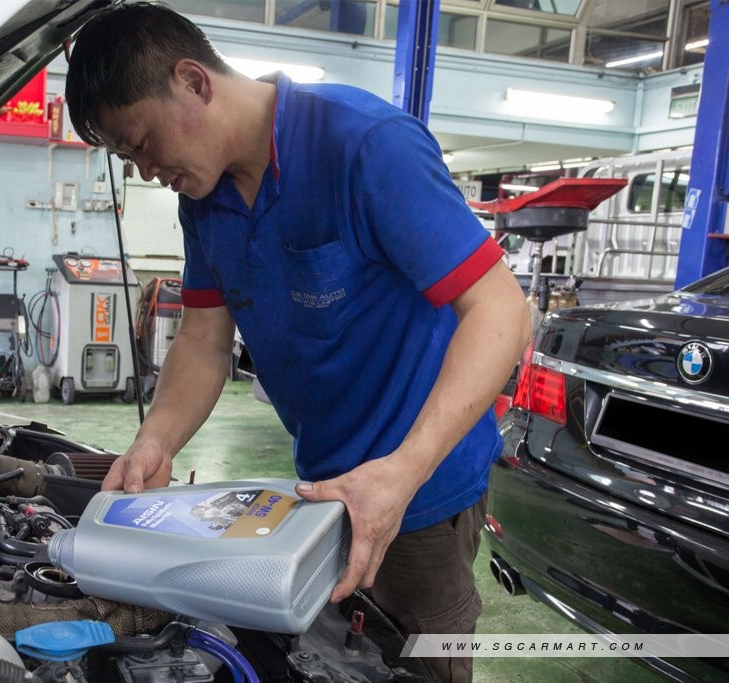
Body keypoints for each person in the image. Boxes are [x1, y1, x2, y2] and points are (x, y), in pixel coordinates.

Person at [64, 4, 530, 681]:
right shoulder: (203, 197)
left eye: (140, 144)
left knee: (418, 666)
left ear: (193, 81)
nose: (144, 170)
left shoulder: (365, 146)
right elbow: (204, 338)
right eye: (126, 158)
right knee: (325, 662)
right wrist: (155, 441)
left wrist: (402, 472)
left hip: (420, 495)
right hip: (315, 491)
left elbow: (500, 309)